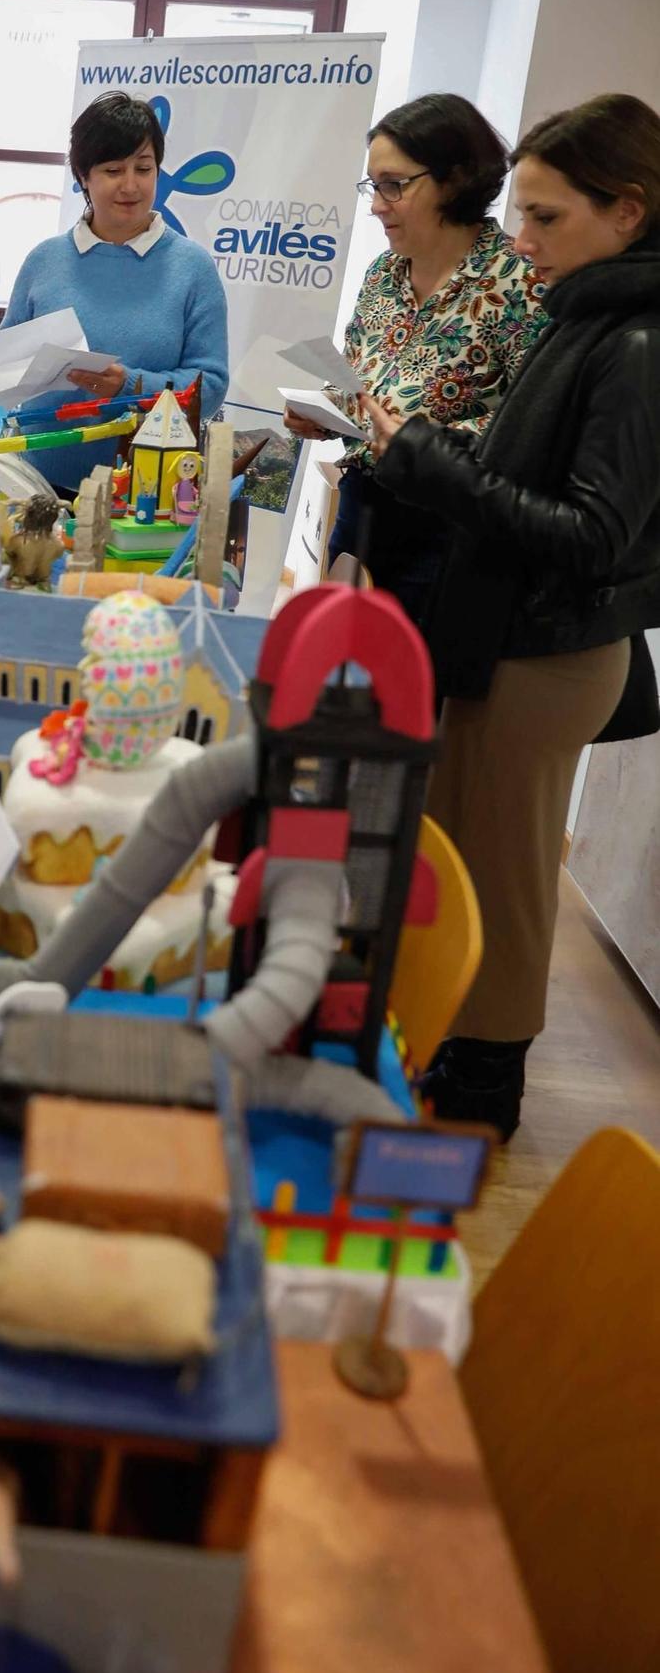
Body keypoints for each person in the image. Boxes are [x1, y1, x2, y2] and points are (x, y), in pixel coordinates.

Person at [364, 93, 660, 1138]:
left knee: (509, 869)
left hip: (547, 648)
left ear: (626, 211)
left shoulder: (632, 342)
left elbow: (591, 535)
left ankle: (484, 1087)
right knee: (476, 853)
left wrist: (431, 464)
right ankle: (459, 1048)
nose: (520, 238)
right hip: (511, 634)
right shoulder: (586, 314)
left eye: (544, 218)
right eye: (520, 213)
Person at [285, 93, 545, 626]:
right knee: (341, 683)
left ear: (454, 178)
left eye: (393, 185)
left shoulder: (519, 282)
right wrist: (325, 412)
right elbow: (363, 386)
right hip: (360, 513)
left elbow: (532, 427)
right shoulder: (383, 274)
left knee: (418, 699)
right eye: (372, 186)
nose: (377, 203)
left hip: (450, 527)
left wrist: (418, 439)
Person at [0, 92, 228, 495]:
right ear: (84, 176)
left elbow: (209, 389)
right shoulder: (44, 260)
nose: (131, 185)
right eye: (112, 170)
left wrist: (130, 386)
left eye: (144, 167)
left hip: (147, 494)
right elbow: (2, 376)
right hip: (40, 485)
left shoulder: (192, 268)